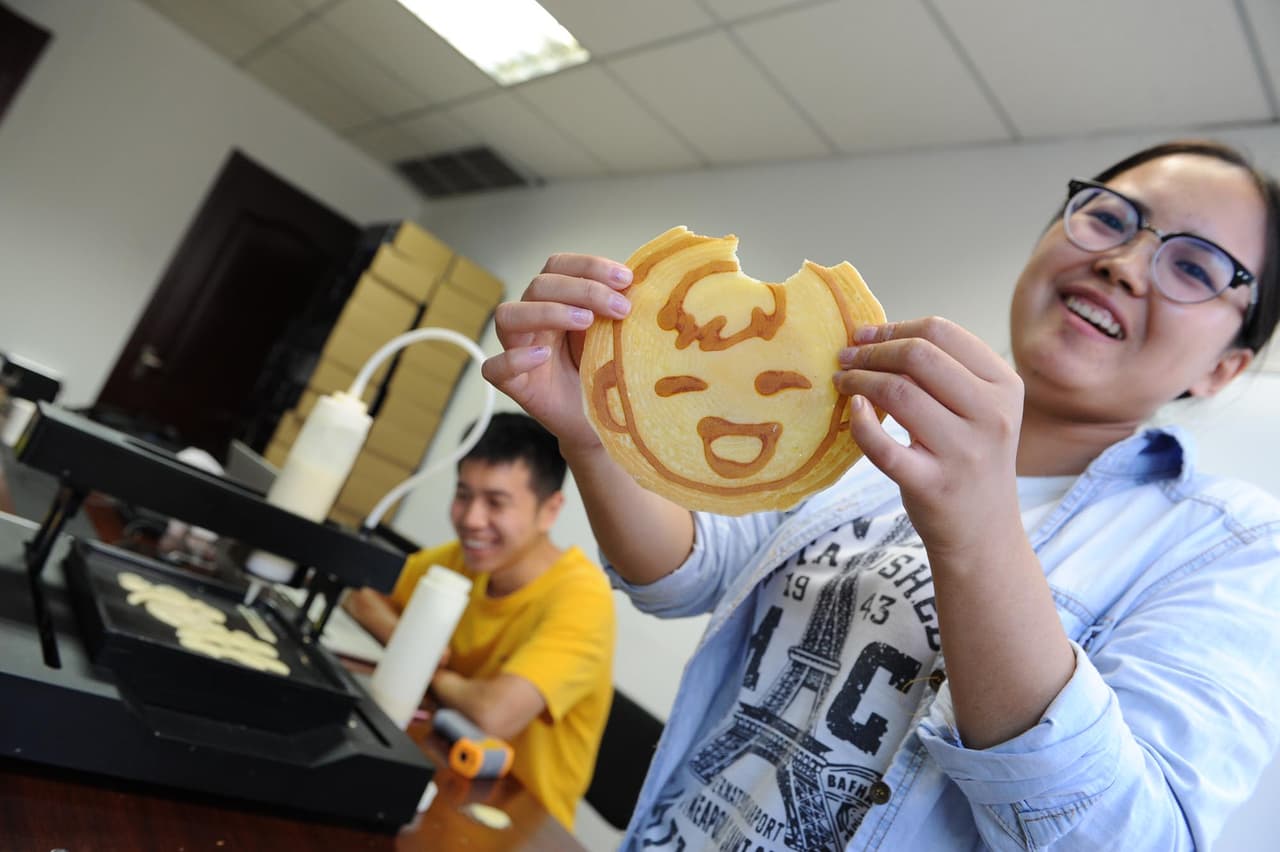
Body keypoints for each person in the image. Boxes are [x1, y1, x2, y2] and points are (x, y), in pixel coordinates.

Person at [481, 140, 1280, 850]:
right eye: (1109, 219)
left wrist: (977, 534)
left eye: (1194, 267)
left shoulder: (1235, 549)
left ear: (1223, 368)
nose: (1125, 262)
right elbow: (687, 575)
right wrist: (594, 430)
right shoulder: (866, 431)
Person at [344, 412, 616, 831]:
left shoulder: (582, 598)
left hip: (514, 823)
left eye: (496, 502)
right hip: (441, 774)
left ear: (550, 510)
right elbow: (360, 595)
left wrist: (425, 665)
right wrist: (411, 640)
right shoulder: (463, 561)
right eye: (463, 494)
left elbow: (494, 716)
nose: (471, 519)